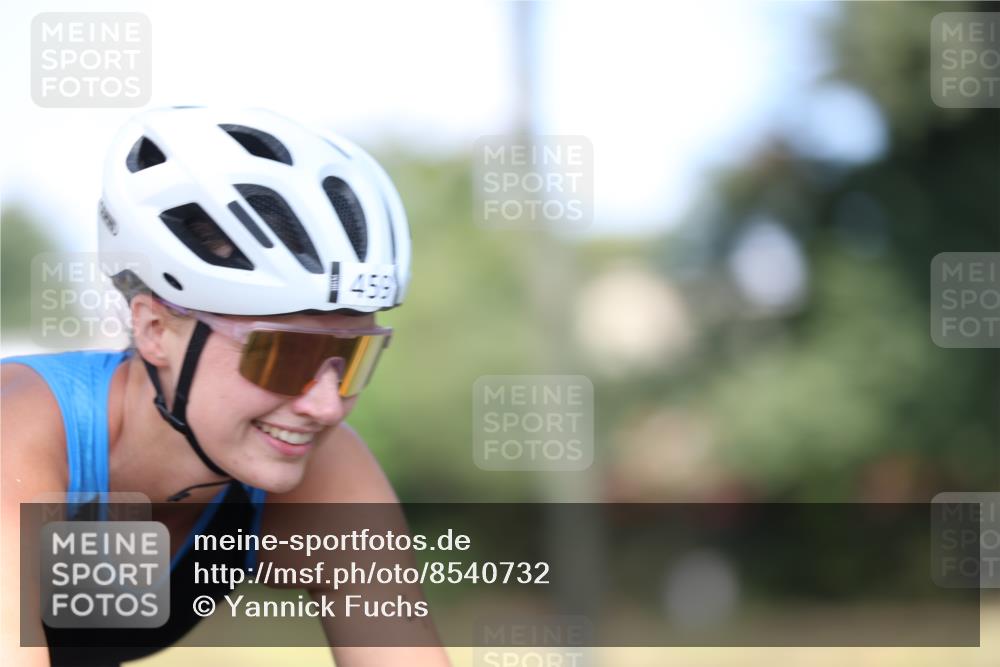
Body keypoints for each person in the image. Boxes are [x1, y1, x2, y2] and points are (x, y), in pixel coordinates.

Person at [1, 106, 451, 666]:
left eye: (351, 355)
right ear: (154, 330)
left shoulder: (323, 471)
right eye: (285, 354)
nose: (326, 406)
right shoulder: (17, 432)